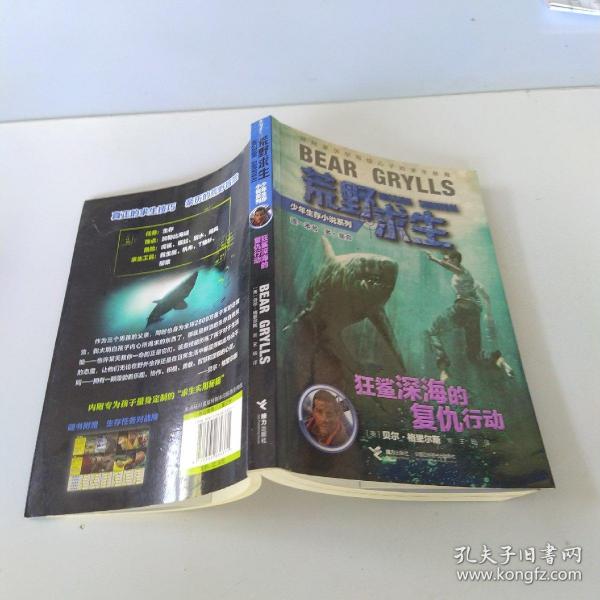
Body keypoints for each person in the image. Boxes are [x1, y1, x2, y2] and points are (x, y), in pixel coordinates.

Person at [425, 249, 513, 381]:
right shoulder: (473, 282)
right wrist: (488, 314)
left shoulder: (463, 272)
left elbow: (449, 267)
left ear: (455, 261)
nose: (445, 260)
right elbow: (486, 297)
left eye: (448, 259)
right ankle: (498, 361)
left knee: (433, 331)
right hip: (474, 312)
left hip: (463, 307)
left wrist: (434, 259)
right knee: (473, 355)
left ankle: (443, 369)